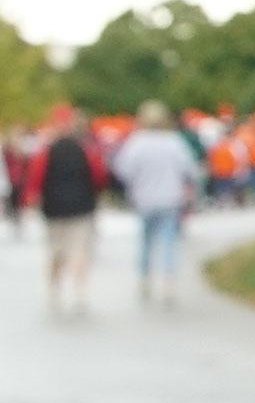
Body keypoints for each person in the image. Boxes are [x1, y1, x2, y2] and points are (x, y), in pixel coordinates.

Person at [109, 100, 198, 308]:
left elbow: (123, 170)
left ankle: (144, 279)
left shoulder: (136, 143)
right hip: (170, 198)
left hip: (145, 199)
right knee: (168, 241)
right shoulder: (173, 142)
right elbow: (190, 169)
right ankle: (168, 281)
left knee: (145, 242)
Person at [34, 108, 101, 315]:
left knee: (56, 249)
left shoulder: (46, 151)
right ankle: (79, 292)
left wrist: (34, 198)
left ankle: (54, 290)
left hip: (54, 208)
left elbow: (36, 177)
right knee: (79, 250)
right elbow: (98, 176)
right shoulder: (86, 150)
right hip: (81, 206)